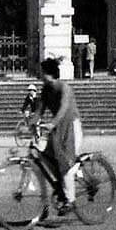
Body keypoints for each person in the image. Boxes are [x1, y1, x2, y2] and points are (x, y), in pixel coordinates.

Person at [39, 57, 83, 213]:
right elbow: (39, 110)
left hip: (71, 125)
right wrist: (29, 123)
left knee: (65, 165)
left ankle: (70, 200)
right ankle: (62, 189)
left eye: (42, 72)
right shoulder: (45, 90)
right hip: (58, 127)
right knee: (46, 156)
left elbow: (64, 109)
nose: (39, 75)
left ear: (48, 73)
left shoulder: (64, 88)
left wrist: (51, 123)